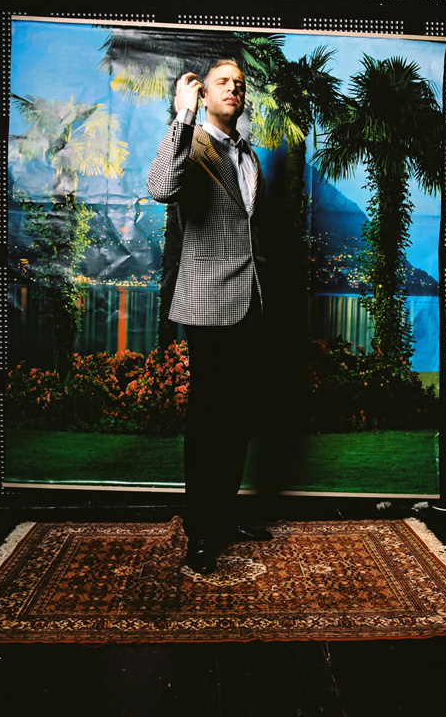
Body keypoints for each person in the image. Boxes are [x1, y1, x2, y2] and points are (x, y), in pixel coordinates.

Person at [147, 60, 272, 575]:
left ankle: (223, 515)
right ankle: (200, 529)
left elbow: (248, 227)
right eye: (223, 81)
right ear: (203, 93)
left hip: (249, 301)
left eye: (239, 84)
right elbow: (160, 186)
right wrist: (182, 117)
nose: (234, 88)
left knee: (238, 416)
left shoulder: (248, 154)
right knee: (207, 421)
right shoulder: (192, 142)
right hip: (207, 301)